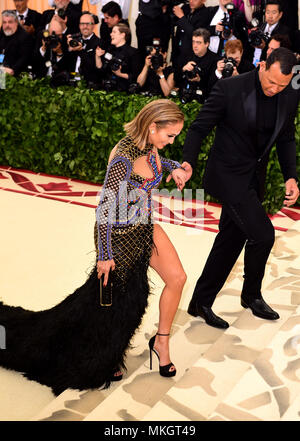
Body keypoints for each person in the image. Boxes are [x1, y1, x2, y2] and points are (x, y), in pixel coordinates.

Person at [0, 99, 188, 396]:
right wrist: (104, 256)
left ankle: (161, 341)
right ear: (153, 127)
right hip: (119, 237)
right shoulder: (122, 158)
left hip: (145, 227)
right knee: (117, 305)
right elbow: (104, 209)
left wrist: (175, 167)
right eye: (170, 135)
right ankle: (104, 355)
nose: (171, 141)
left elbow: (156, 166)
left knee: (176, 279)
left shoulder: (151, 147)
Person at [181, 47, 299, 329]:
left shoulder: (290, 93)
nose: (275, 89)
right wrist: (188, 162)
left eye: (281, 85)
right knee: (263, 234)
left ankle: (202, 301)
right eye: (271, 81)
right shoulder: (229, 88)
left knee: (231, 238)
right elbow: (199, 128)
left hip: (252, 178)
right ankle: (251, 294)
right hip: (227, 176)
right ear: (261, 67)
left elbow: (285, 138)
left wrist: (290, 177)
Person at [175, 27, 220, 102]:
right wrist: (183, 69)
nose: (195, 45)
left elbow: (213, 86)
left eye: (198, 42)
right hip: (183, 96)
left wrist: (199, 80)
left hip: (203, 99)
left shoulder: (215, 60)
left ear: (207, 44)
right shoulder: (186, 56)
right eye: (193, 42)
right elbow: (175, 78)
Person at [95, 23, 141, 92]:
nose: (111, 34)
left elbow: (136, 76)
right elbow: (101, 69)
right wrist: (97, 56)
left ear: (122, 35)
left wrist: (120, 74)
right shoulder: (109, 50)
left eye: (114, 32)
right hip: (107, 89)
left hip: (125, 91)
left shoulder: (133, 52)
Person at [171, 0, 211, 69]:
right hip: (178, 53)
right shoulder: (185, 8)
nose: (191, 1)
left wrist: (181, 17)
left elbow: (195, 34)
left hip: (191, 56)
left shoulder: (206, 13)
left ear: (203, 1)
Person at [67, 11, 101, 86]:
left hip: (88, 85)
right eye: (82, 24)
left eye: (88, 24)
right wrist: (69, 49)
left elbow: (94, 67)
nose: (85, 26)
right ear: (79, 26)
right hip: (71, 82)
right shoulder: (74, 40)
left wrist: (80, 50)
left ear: (93, 26)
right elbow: (66, 63)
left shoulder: (99, 43)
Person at [0, 10, 33, 76]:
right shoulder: (1, 34)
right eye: (4, 22)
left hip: (17, 73)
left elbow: (24, 58)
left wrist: (12, 70)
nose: (7, 25)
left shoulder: (25, 37)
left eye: (10, 22)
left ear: (16, 23)